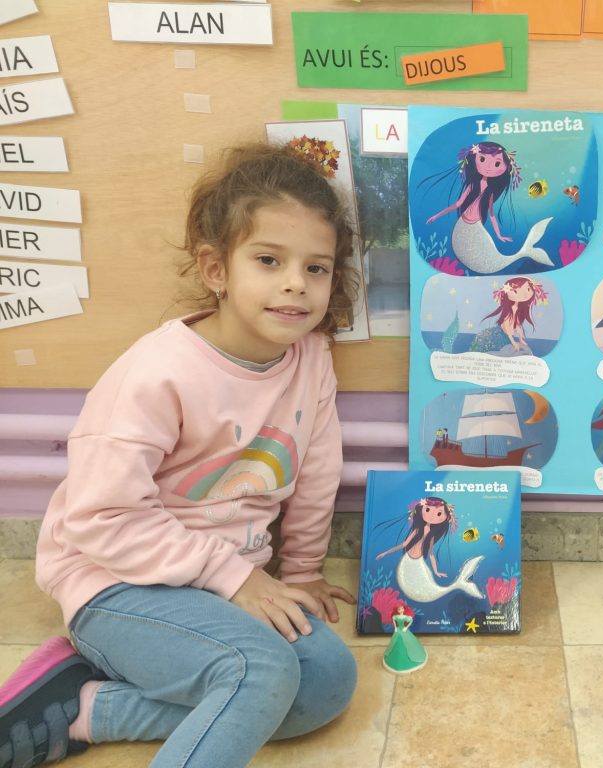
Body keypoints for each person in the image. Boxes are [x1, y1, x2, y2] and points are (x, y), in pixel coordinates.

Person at [0, 144, 361, 768]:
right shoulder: (156, 374)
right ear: (216, 269)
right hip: (116, 583)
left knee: (327, 682)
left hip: (219, 584)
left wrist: (301, 570)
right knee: (260, 670)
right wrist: (235, 577)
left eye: (317, 267)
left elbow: (317, 471)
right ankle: (100, 672)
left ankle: (86, 707)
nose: (296, 283)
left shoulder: (312, 359)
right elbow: (101, 518)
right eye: (269, 260)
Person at [424, 141, 553, 275]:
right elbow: (457, 204)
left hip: (476, 226)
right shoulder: (472, 186)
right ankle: (525, 252)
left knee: (487, 260)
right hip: (463, 225)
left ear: (506, 168)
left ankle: (526, 252)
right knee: (471, 255)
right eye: (482, 159)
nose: (488, 167)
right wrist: (436, 216)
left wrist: (499, 235)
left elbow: (491, 216)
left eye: (497, 164)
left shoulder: (490, 192)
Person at [375, 497, 484, 603]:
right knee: (411, 586)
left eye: (439, 513)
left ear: (446, 517)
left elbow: (431, 554)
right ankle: (459, 584)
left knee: (425, 590)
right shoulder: (417, 530)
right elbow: (404, 544)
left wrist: (436, 571)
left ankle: (461, 584)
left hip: (418, 562)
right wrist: (385, 553)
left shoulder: (431, 536)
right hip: (408, 561)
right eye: (427, 510)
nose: (431, 516)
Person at [469, 276, 548, 355]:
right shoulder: (511, 309)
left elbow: (518, 325)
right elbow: (506, 325)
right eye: (515, 291)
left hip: (507, 335)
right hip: (501, 334)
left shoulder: (518, 308)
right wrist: (513, 342)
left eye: (528, 289)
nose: (524, 295)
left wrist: (520, 339)